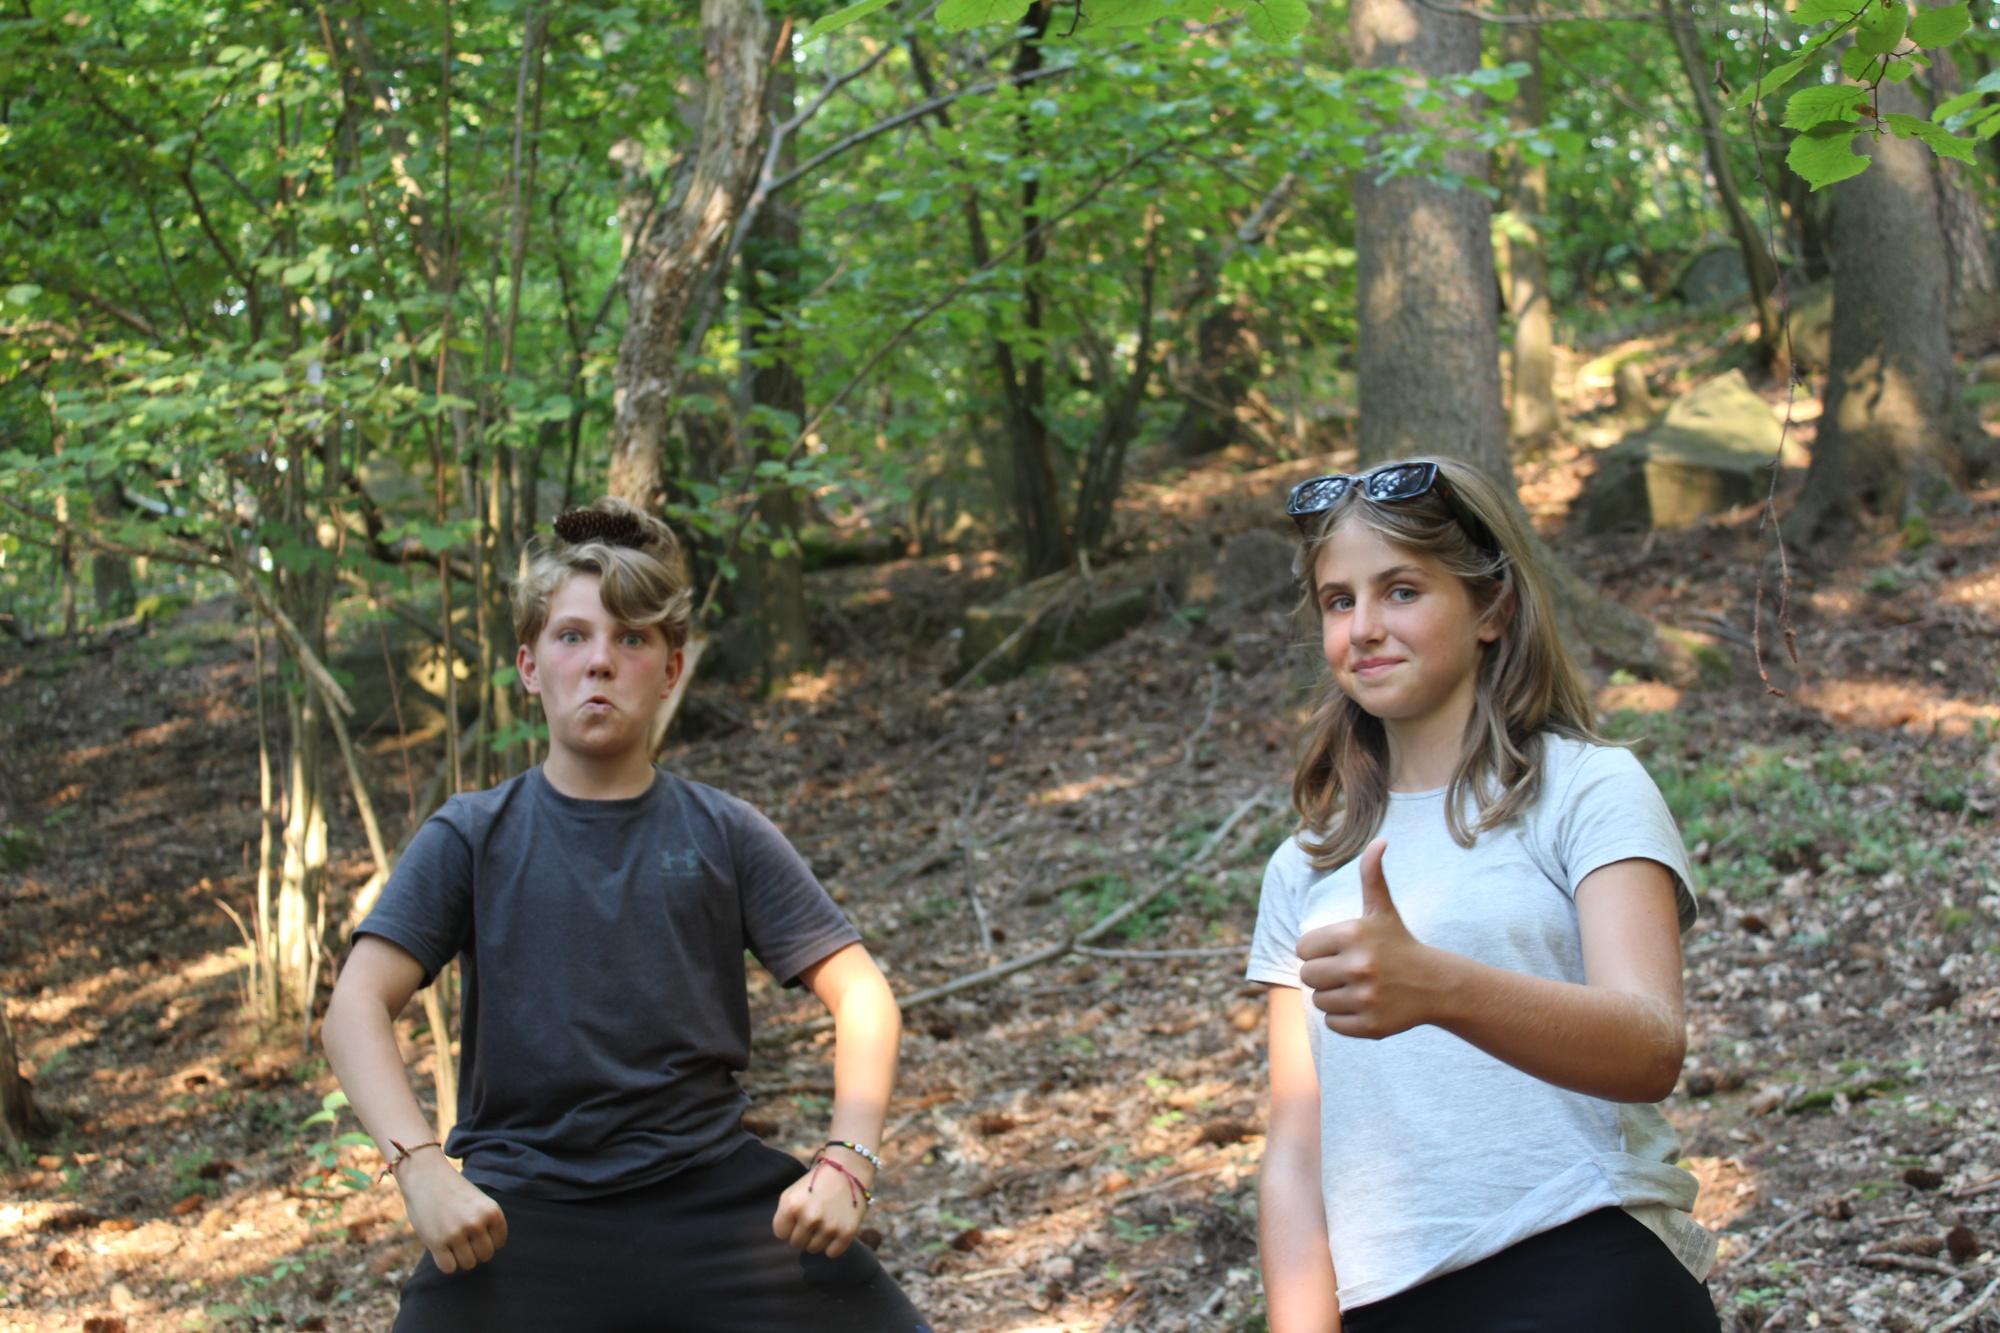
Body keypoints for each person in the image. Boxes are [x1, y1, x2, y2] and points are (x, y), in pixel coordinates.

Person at [321, 498, 930, 1333]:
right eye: (572, 636)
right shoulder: (472, 837)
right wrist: (420, 1167)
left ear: (671, 670)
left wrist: (847, 1160)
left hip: (716, 1204)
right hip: (517, 1212)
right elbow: (354, 1007)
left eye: (631, 639)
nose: (600, 661)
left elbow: (863, 995)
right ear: (530, 665)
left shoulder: (724, 832)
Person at [1246, 458, 1720, 1332]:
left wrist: (1440, 986)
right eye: (1339, 601)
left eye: (1401, 590)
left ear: (1492, 607)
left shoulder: (1587, 789)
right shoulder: (1304, 865)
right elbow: (1297, 1147)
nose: (1365, 627)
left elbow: (1651, 1045)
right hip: (1381, 1300)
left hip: (1583, 1263)